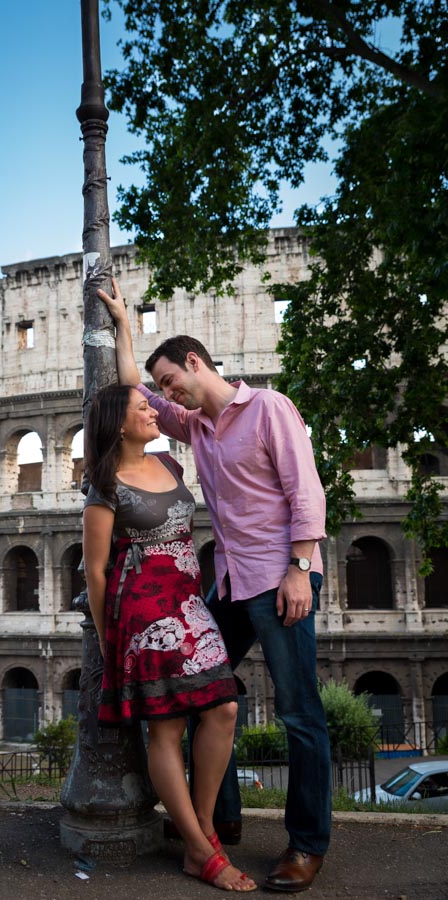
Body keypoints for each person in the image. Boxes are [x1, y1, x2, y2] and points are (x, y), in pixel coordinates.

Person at [97, 278, 332, 894]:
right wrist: (124, 324)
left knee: (300, 713)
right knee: (210, 695)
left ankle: (307, 845)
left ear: (196, 363)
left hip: (279, 581)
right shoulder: (197, 425)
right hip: (227, 584)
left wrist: (300, 568)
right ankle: (217, 821)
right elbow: (134, 390)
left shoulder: (269, 409)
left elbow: (306, 492)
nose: (167, 396)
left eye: (173, 381)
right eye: (165, 389)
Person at [83, 383, 257, 892]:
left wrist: (123, 328)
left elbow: (134, 380)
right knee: (166, 727)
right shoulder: (105, 486)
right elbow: (95, 572)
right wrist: (109, 638)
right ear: (119, 424)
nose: (152, 409)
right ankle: (201, 850)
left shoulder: (170, 464)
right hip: (143, 612)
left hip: (189, 601)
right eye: (142, 408)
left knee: (222, 708)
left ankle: (200, 831)